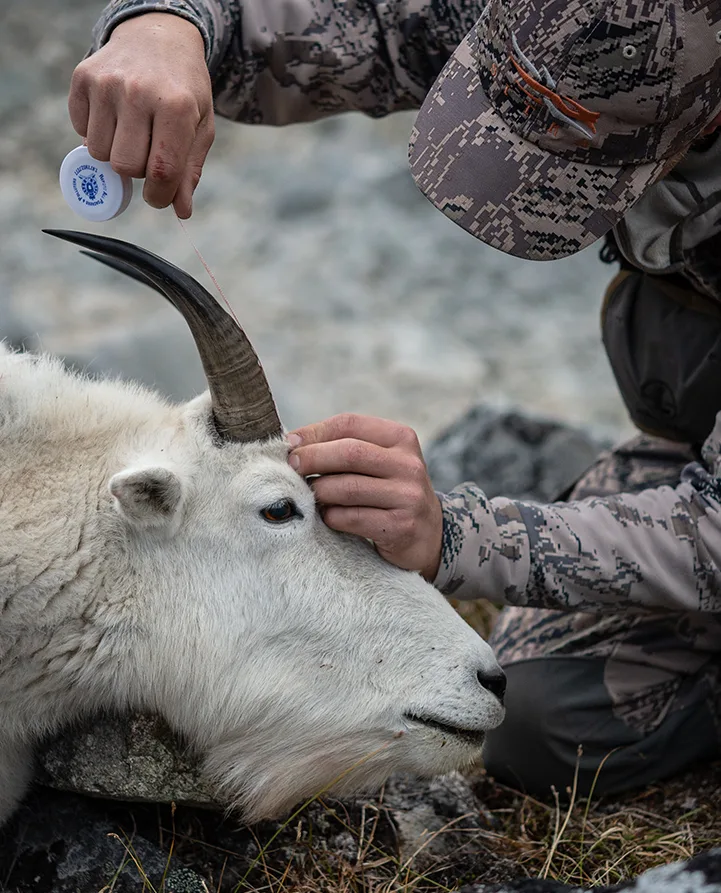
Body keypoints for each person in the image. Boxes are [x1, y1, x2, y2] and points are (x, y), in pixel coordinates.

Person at [72, 0, 721, 798]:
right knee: (539, 720)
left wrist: (458, 534)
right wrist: (168, 28)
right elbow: (366, 23)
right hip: (692, 439)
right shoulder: (556, 21)